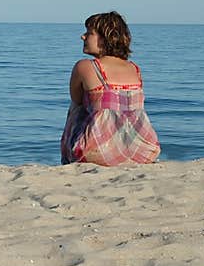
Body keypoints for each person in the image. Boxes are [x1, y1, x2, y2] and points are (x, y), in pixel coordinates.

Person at [61, 10, 160, 166]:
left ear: (106, 38)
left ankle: (69, 158)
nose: (83, 37)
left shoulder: (85, 66)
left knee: (76, 107)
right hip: (143, 150)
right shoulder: (134, 68)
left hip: (98, 152)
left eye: (89, 33)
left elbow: (76, 100)